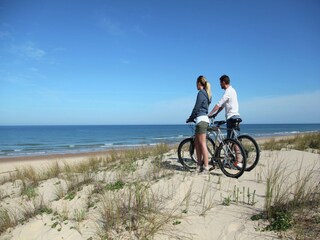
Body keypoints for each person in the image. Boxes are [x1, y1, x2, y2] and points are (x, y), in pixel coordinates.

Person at [208, 74, 242, 168]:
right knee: (233, 139)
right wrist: (216, 114)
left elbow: (219, 104)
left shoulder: (228, 91)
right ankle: (231, 160)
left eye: (220, 83)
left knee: (230, 140)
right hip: (236, 116)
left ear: (223, 82)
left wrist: (210, 114)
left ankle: (237, 160)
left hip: (231, 117)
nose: (220, 85)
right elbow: (223, 106)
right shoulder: (233, 90)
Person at [186, 75, 212, 173]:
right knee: (197, 143)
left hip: (201, 120)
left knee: (202, 144)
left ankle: (206, 167)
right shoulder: (207, 94)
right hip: (202, 120)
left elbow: (197, 108)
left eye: (196, 84)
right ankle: (199, 165)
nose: (195, 86)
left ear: (199, 83)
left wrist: (190, 118)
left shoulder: (201, 93)